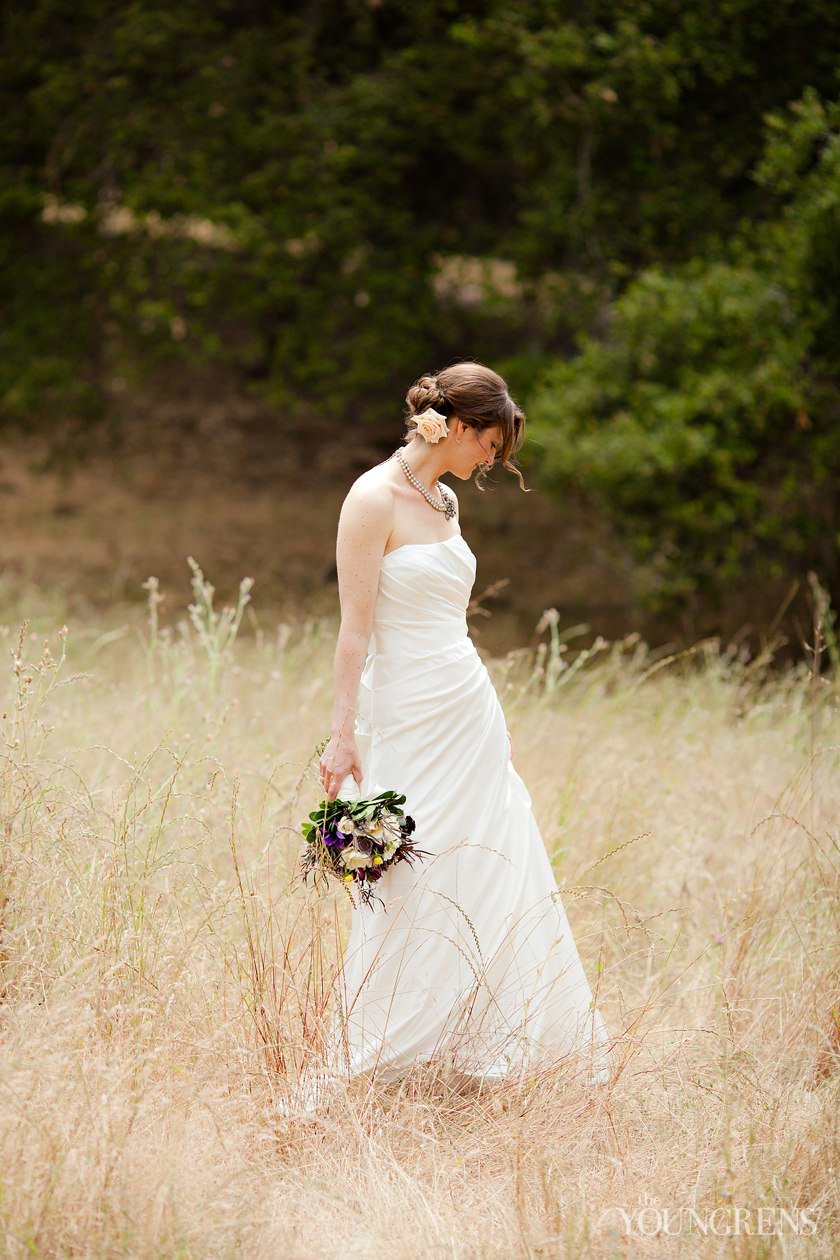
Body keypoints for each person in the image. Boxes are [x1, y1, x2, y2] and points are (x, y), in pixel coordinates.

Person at [318, 361, 612, 1087]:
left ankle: (483, 1043)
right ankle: (390, 1054)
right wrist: (342, 732)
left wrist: (496, 717)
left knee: (490, 860)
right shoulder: (371, 499)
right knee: (411, 870)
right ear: (456, 427)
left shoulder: (448, 503)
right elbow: (354, 632)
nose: (491, 460)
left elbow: (455, 625)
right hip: (406, 712)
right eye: (488, 445)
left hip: (465, 705)